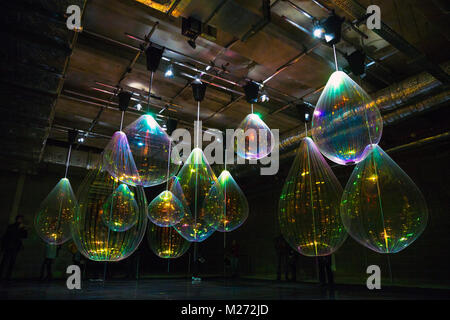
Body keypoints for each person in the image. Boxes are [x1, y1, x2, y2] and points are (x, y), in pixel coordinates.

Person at [0, 215, 28, 280]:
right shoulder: (12, 226)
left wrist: (25, 230)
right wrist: (19, 228)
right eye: (20, 219)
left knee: (12, 262)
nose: (21, 221)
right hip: (9, 246)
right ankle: (1, 275)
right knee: (4, 262)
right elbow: (10, 235)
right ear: (17, 219)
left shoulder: (21, 227)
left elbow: (24, 236)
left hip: (15, 247)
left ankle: (8, 277)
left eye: (21, 219)